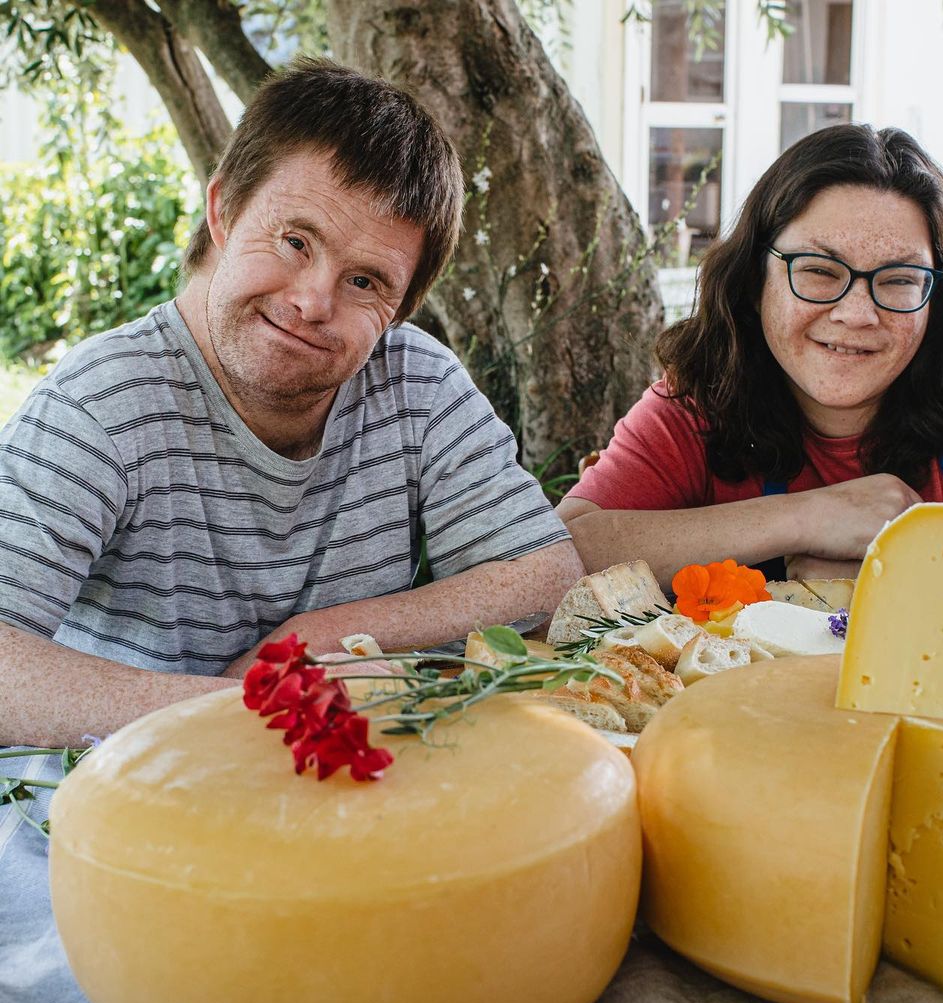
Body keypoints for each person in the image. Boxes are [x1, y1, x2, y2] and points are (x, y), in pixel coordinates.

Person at [0, 59, 584, 747]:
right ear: (223, 211)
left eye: (365, 280)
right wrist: (257, 708)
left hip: (333, 791)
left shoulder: (415, 383)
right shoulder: (101, 404)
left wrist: (321, 635)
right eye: (295, 240)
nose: (313, 302)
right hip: (116, 808)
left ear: (401, 309)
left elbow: (546, 574)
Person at [558, 123, 943, 587]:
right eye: (818, 270)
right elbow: (556, 554)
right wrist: (806, 518)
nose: (856, 314)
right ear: (754, 278)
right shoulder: (703, 393)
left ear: (938, 298)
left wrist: (908, 567)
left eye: (899, 280)